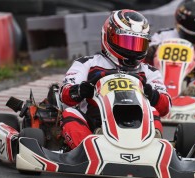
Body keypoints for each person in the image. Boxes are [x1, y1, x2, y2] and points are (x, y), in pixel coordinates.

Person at [59, 9, 171, 149]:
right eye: (127, 42)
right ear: (109, 36)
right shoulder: (87, 63)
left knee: (154, 112)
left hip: (138, 123)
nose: (132, 50)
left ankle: (152, 146)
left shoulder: (149, 71)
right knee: (70, 114)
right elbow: (64, 94)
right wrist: (82, 90)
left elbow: (166, 107)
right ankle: (88, 148)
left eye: (138, 44)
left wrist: (153, 95)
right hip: (94, 123)